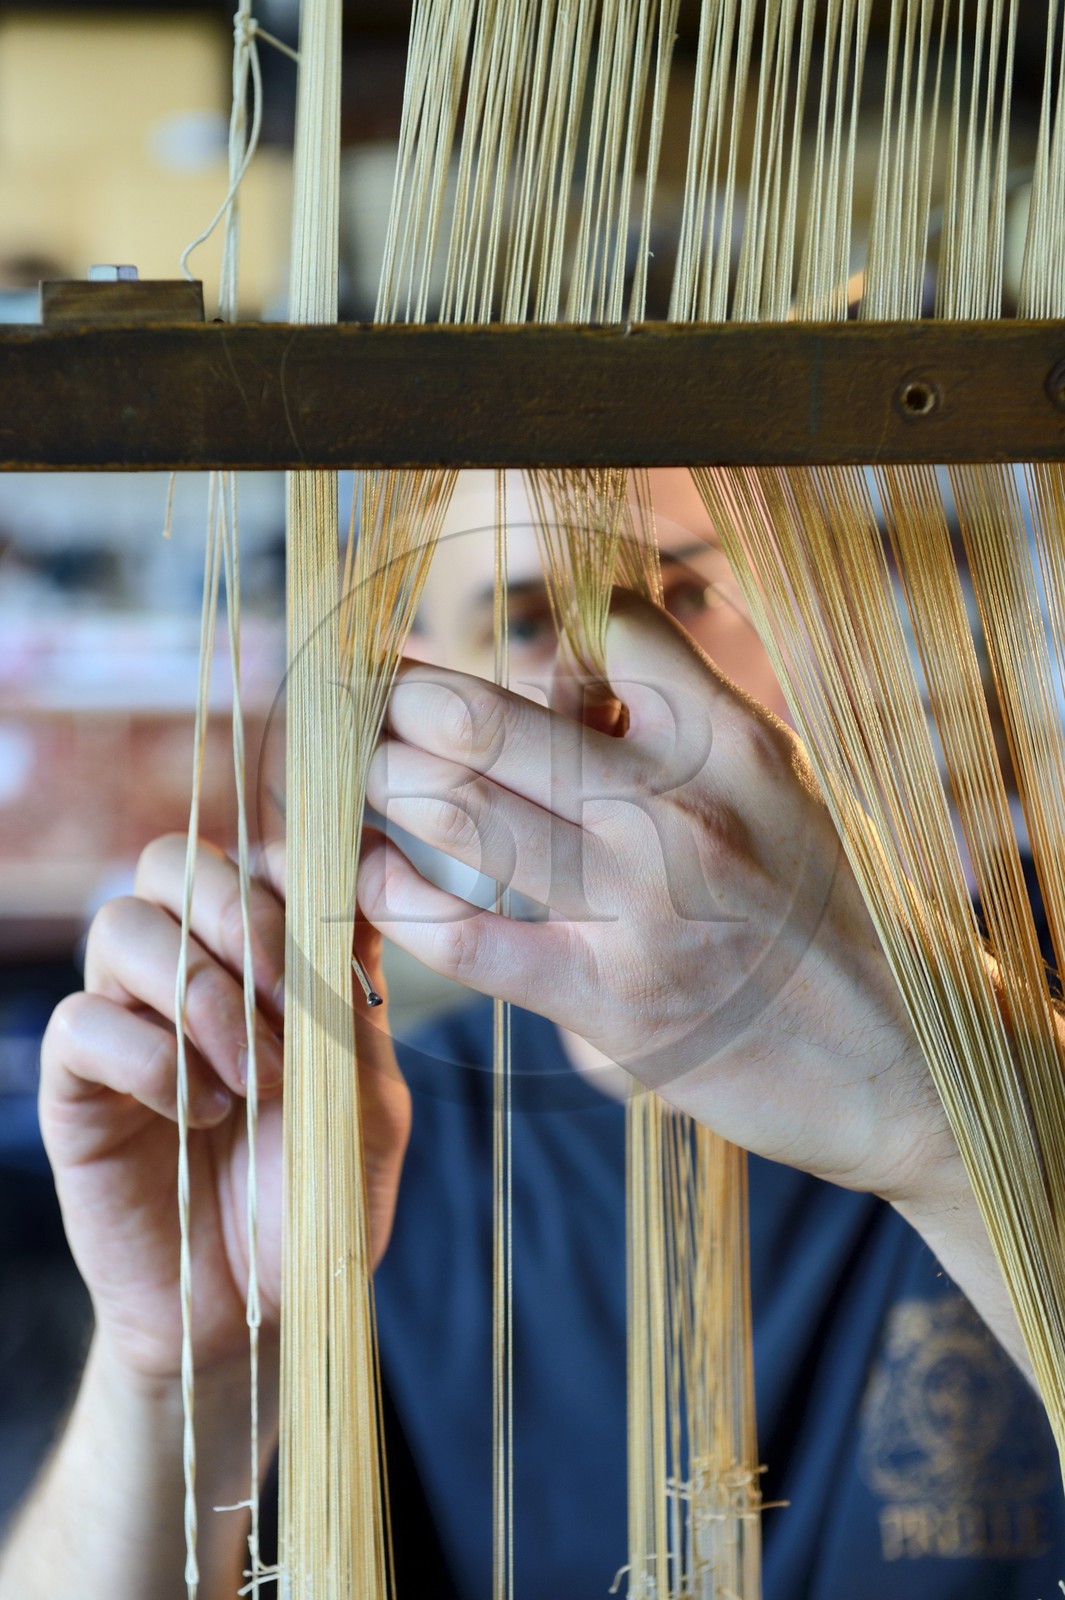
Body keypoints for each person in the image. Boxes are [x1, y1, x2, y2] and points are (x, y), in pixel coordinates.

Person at [0, 472, 1062, 1599]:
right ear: (419, 683)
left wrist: (954, 1127)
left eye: (680, 607)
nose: (595, 697)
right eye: (520, 619)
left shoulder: (1026, 1055)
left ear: (811, 644)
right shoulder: (345, 1161)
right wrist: (178, 1376)